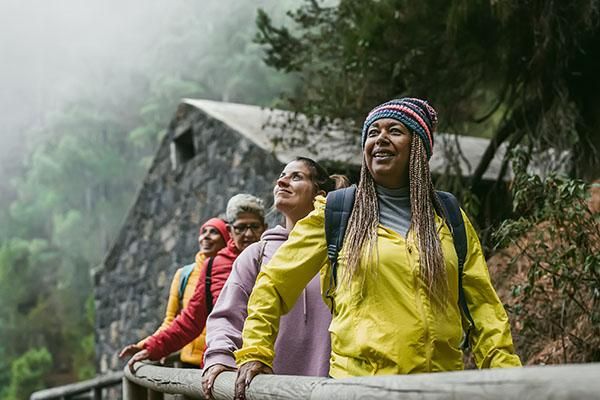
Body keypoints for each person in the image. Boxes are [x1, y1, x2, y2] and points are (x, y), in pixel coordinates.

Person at [234, 98, 522, 398]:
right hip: (359, 390)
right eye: (372, 133)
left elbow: (483, 308)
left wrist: (508, 376)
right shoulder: (337, 212)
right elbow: (273, 284)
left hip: (439, 388)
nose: (380, 138)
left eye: (395, 130)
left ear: (419, 146)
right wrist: (256, 350)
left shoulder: (448, 217)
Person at [201, 158, 348, 398]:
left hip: (332, 389)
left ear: (319, 194)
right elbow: (227, 316)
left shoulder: (339, 250)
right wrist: (220, 358)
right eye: (282, 175)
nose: (282, 181)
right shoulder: (257, 254)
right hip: (267, 389)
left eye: (296, 177)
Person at [119, 194, 267, 370]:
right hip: (223, 364)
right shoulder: (213, 266)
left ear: (264, 228)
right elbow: (190, 320)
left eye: (254, 227)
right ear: (229, 231)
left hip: (266, 362)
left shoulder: (275, 258)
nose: (248, 234)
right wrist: (152, 347)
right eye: (241, 228)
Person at [119, 218, 229, 368]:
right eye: (203, 232)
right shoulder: (184, 274)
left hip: (220, 362)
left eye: (214, 232)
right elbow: (172, 320)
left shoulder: (235, 271)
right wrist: (146, 345)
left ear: (226, 238)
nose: (206, 236)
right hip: (189, 364)